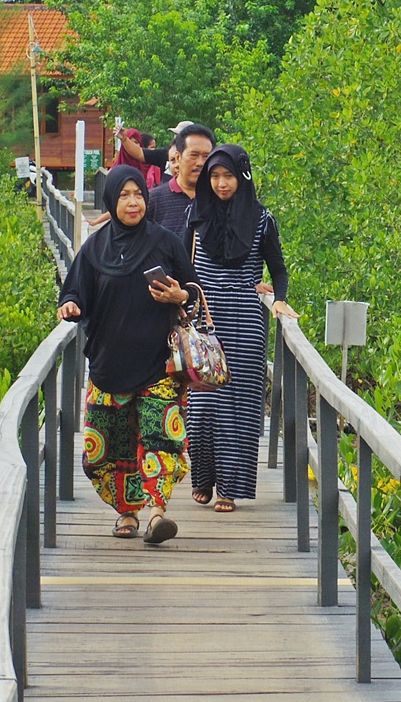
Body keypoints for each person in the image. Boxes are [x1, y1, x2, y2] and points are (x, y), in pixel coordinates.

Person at [57, 165, 199, 544]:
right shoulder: (95, 248)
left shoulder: (166, 242)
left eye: (139, 194)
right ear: (111, 200)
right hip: (108, 364)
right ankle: (127, 512)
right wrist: (70, 305)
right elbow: (74, 291)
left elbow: (193, 291)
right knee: (107, 448)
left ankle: (156, 515)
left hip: (158, 363)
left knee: (160, 439)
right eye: (124, 195)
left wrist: (179, 297)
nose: (133, 202)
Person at [185, 144, 298, 513]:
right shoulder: (195, 214)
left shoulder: (262, 219)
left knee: (239, 405)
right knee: (202, 403)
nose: (221, 183)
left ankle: (230, 489)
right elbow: (183, 267)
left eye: (228, 176)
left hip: (246, 319)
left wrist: (278, 298)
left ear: (242, 176)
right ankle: (202, 479)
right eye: (215, 176)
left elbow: (278, 269)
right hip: (205, 316)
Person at [148, 123, 215, 239]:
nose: (200, 162)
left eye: (206, 156)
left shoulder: (217, 197)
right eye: (194, 155)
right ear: (178, 158)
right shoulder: (154, 200)